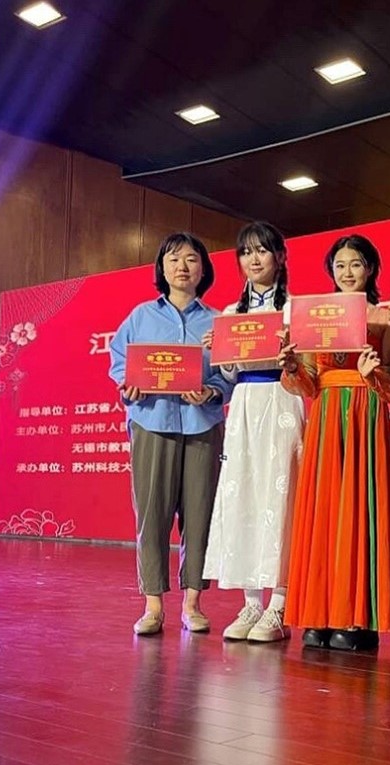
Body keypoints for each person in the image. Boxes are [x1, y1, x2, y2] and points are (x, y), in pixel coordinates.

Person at [279, 234, 390, 651]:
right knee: (324, 511)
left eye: (356, 264)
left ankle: (359, 619)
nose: (348, 272)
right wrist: (291, 365)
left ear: (370, 268)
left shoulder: (384, 317)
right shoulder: (314, 315)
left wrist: (374, 373)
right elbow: (306, 383)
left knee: (361, 507)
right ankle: (318, 614)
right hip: (324, 417)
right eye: (340, 265)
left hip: (364, 414)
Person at [108, 233, 231, 636]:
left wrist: (212, 391)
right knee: (152, 514)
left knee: (200, 515)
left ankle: (193, 604)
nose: (182, 266)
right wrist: (128, 384)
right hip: (151, 422)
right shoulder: (140, 317)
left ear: (203, 269)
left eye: (192, 259)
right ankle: (153, 605)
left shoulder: (217, 321)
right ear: (161, 267)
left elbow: (229, 374)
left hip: (202, 424)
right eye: (174, 259)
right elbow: (119, 363)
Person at [203, 222, 305, 643]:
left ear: (280, 256)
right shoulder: (230, 313)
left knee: (281, 497)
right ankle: (250, 603)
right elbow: (230, 374)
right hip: (244, 405)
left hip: (282, 400)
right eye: (246, 252)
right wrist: (220, 351)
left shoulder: (295, 309)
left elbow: (307, 368)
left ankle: (279, 605)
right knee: (243, 494)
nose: (254, 259)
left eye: (262, 250)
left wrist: (291, 355)